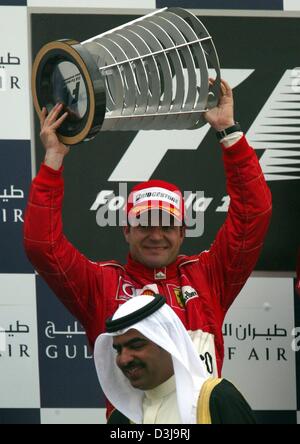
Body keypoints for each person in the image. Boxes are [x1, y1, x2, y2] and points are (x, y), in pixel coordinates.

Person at [24, 79, 272, 417]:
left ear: (183, 232)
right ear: (126, 230)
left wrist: (228, 132)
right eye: (145, 224)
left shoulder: (207, 276)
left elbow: (252, 215)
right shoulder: (102, 285)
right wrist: (53, 158)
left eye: (167, 225)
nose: (156, 235)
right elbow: (43, 247)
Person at [94, 294, 256, 424]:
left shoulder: (217, 399)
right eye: (119, 349)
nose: (124, 360)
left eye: (136, 345)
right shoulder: (121, 418)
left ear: (167, 342)